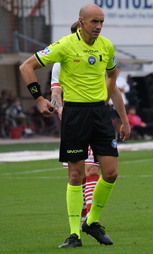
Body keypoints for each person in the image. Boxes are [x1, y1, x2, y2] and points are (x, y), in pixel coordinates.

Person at [19, 3, 130, 248]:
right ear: (81, 22)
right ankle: (74, 235)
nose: (99, 27)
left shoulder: (107, 46)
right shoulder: (64, 46)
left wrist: (107, 98)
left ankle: (91, 222)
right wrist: (40, 99)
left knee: (110, 173)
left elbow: (112, 74)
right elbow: (26, 67)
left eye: (101, 22)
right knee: (75, 175)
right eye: (94, 22)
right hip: (75, 115)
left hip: (99, 114)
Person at [50, 21, 100, 227]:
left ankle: (90, 218)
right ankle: (80, 217)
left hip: (95, 119)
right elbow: (55, 90)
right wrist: (57, 107)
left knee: (93, 171)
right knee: (76, 175)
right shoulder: (60, 61)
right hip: (72, 120)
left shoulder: (96, 55)